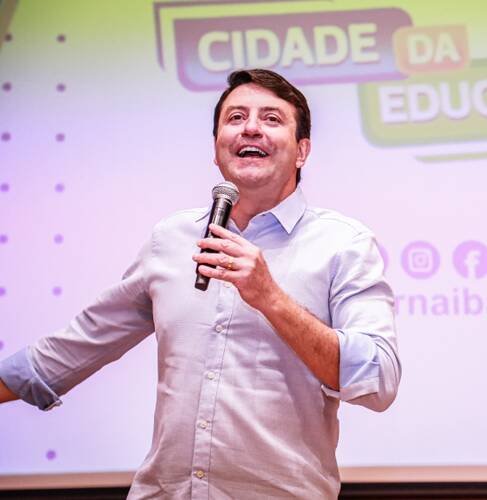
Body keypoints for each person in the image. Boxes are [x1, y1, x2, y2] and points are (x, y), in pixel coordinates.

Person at [0, 69, 401, 499]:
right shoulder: (172, 239)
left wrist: (271, 299)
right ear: (216, 149)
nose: (251, 128)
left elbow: (378, 380)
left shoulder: (343, 243)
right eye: (236, 118)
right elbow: (77, 345)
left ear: (302, 150)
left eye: (271, 119)